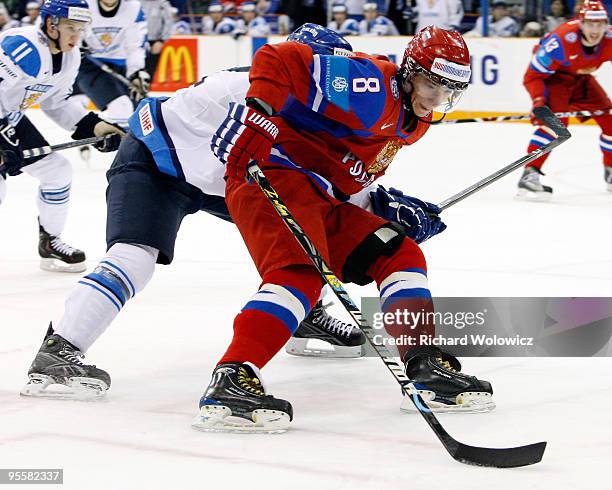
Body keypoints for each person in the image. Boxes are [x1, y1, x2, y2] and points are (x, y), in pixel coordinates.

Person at [23, 25, 439, 401]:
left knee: (307, 234)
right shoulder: (242, 85)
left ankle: (304, 315)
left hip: (231, 179)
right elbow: (161, 117)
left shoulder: (313, 111)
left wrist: (384, 208)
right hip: (159, 164)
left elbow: (322, 181)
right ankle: (59, 350)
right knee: (134, 258)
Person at [197, 24, 494, 433]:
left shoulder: (414, 121)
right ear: (410, 71)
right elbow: (277, 58)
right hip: (272, 173)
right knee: (299, 275)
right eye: (431, 84)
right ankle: (232, 376)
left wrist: (391, 208)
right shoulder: (371, 86)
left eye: (448, 91)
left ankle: (423, 364)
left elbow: (345, 170)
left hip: (319, 196)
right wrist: (259, 115)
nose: (437, 98)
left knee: (400, 252)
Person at [0, 0, 124, 273]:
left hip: (9, 117)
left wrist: (93, 126)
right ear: (50, 25)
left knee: (57, 171)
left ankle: (50, 242)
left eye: (80, 28)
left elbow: (56, 103)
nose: (75, 35)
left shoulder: (71, 56)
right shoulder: (23, 47)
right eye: (70, 27)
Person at [517, 0, 611, 199]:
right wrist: (539, 101)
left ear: (606, 25)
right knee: (555, 125)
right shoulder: (560, 41)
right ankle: (529, 176)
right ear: (581, 23)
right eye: (590, 25)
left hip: (581, 79)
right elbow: (533, 76)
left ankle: (610, 172)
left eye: (600, 25)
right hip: (554, 79)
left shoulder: (609, 38)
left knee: (610, 120)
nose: (595, 30)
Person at [74, 0, 149, 127]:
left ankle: (128, 144)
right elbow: (73, 29)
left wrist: (136, 72)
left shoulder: (133, 8)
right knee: (121, 106)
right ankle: (116, 143)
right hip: (89, 65)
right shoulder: (84, 4)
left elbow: (135, 45)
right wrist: (76, 46)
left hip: (120, 65)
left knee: (138, 113)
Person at [140, 0, 174, 79]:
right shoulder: (136, 3)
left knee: (149, 69)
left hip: (154, 40)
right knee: (136, 67)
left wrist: (161, 40)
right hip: (138, 41)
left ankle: (145, 87)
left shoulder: (162, 3)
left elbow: (169, 22)